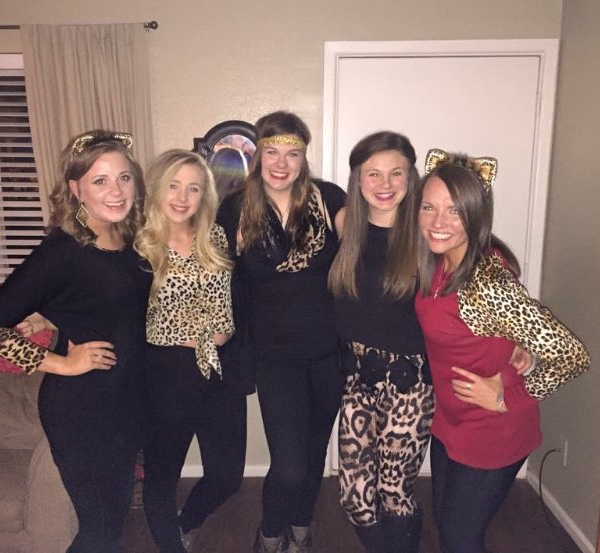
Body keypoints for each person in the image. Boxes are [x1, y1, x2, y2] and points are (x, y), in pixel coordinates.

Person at [0, 130, 151, 553]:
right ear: (75, 188)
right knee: (98, 530)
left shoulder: (127, 238)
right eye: (100, 180)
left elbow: (106, 302)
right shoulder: (63, 249)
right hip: (81, 408)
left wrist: (53, 313)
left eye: (124, 177)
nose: (116, 190)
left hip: (125, 401)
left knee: (114, 519)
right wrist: (63, 363)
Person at [413, 149, 591, 553]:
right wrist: (519, 342)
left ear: (476, 215)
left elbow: (571, 355)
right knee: (448, 527)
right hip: (450, 420)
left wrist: (507, 398)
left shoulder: (486, 282)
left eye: (455, 211)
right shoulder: (438, 262)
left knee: (460, 538)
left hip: (492, 429)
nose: (438, 222)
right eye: (429, 207)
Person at [216, 111, 346, 553]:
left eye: (293, 153)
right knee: (289, 464)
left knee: (314, 452)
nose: (281, 163)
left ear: (304, 157)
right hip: (274, 358)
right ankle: (271, 529)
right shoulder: (236, 207)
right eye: (272, 151)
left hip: (329, 353)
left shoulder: (329, 198)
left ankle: (301, 525)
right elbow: (209, 271)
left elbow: (368, 245)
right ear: (258, 154)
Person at [134, 149, 244, 553]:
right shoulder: (138, 244)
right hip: (168, 372)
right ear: (157, 189)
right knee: (162, 476)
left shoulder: (216, 236)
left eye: (193, 188)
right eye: (174, 186)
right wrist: (52, 317)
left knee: (228, 475)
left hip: (219, 369)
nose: (182, 197)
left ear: (204, 195)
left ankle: (186, 522)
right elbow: (104, 301)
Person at [329, 131, 433, 553]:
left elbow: (483, 264)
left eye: (396, 173)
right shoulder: (345, 225)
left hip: (410, 383)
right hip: (357, 377)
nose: (385, 184)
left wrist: (511, 344)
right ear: (357, 178)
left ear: (411, 177)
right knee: (354, 496)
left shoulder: (427, 233)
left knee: (394, 492)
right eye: (373, 173)